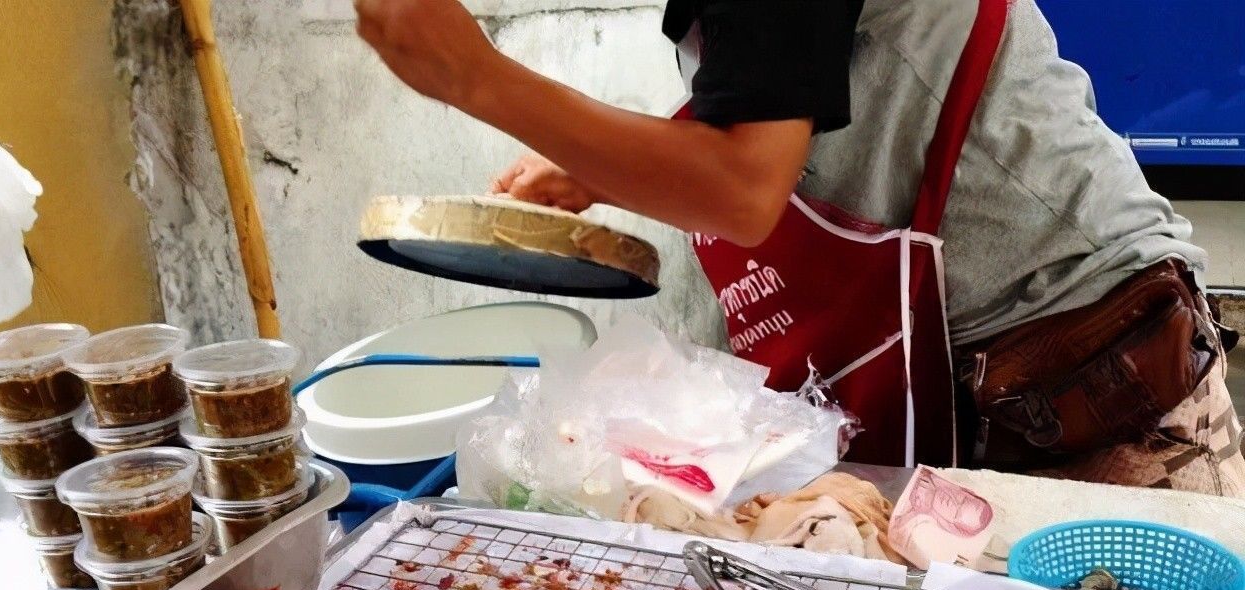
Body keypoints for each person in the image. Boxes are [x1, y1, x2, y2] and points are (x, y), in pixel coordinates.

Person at [353, 0, 1245, 496]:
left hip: (1102, 386)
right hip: (958, 406)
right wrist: (601, 168)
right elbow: (784, 91)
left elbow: (745, 186)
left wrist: (475, 75)